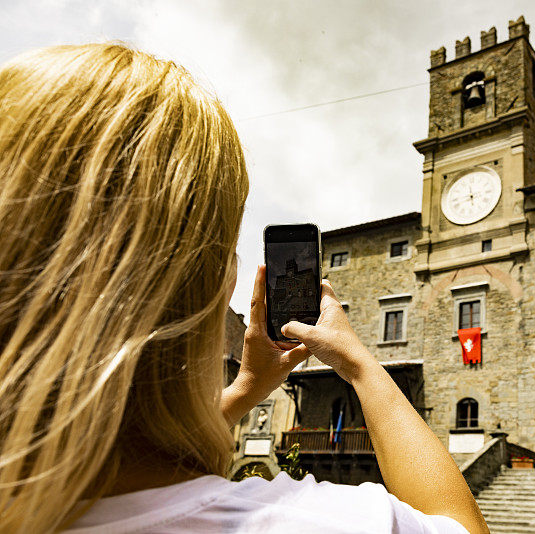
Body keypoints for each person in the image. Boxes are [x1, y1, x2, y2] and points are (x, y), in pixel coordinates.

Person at [0, 43, 489, 534]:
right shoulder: (295, 523)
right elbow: (459, 525)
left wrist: (242, 391)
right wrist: (361, 366)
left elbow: (102, 445)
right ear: (213, 279)